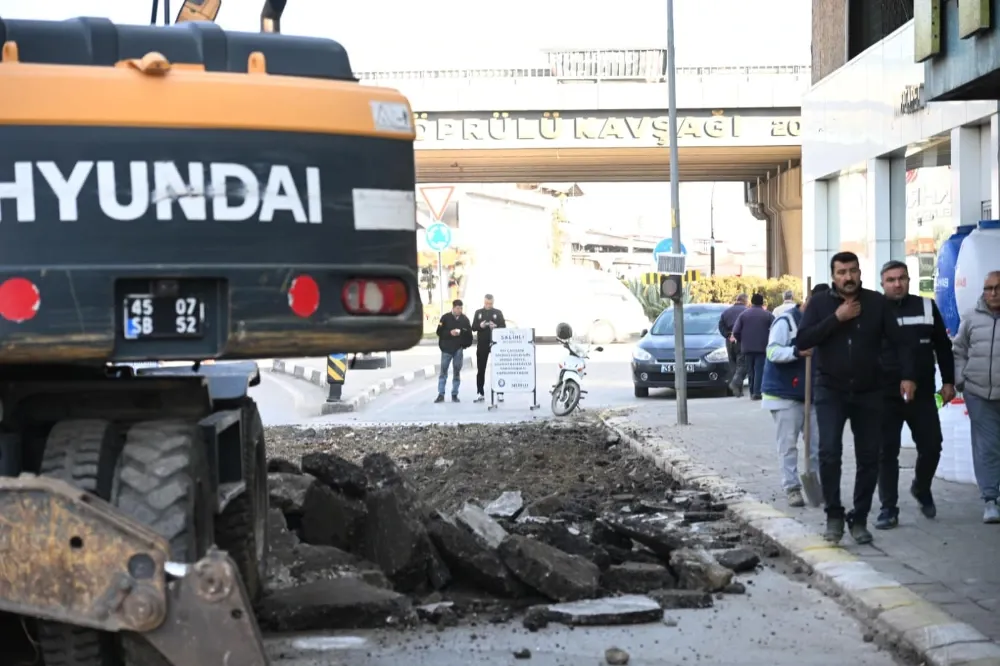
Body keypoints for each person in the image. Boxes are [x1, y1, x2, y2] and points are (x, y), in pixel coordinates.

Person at [796, 251, 916, 545]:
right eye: (841, 272)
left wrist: (907, 376)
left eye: (852, 271)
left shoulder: (876, 302)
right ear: (833, 276)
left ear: (860, 272)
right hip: (830, 389)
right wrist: (836, 319)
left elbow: (900, 342)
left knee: (869, 456)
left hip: (870, 390)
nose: (847, 277)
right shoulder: (819, 304)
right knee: (829, 452)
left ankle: (859, 517)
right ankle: (834, 515)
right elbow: (803, 340)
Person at [875, 260, 956, 530]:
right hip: (885, 394)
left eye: (902, 278)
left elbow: (942, 346)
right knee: (886, 452)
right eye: (891, 280)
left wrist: (948, 381)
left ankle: (921, 487)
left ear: (909, 280)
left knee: (932, 446)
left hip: (921, 393)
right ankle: (888, 508)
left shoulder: (926, 307)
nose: (897, 284)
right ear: (882, 284)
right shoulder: (874, 312)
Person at [761, 283, 827, 507]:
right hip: (784, 395)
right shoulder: (786, 322)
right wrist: (796, 352)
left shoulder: (822, 324)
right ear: (808, 302)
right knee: (788, 445)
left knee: (816, 445)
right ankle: (792, 488)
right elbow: (772, 352)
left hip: (813, 394)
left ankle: (816, 486)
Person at [951, 271, 1000, 523]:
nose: (993, 293)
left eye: (998, 288)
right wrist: (961, 379)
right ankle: (990, 499)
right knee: (987, 447)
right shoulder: (971, 318)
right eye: (988, 288)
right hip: (979, 393)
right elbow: (959, 350)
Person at [733, 293, 774, 400]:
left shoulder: (743, 315)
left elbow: (736, 331)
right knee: (759, 369)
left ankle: (752, 392)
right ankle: (757, 392)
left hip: (747, 348)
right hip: (762, 347)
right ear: (762, 302)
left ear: (752, 302)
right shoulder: (768, 315)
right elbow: (775, 328)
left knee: (750, 370)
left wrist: (742, 340)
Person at [435, 299, 473, 403]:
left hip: (458, 350)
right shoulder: (445, 318)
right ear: (453, 308)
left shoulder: (465, 319)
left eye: (461, 308)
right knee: (443, 372)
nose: (459, 310)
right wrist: (449, 333)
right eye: (457, 308)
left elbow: (469, 334)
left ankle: (454, 394)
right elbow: (439, 332)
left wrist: (462, 338)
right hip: (446, 349)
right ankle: (441, 394)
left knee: (457, 372)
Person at [472, 293, 506, 403]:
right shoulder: (478, 312)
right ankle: (480, 392)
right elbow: (473, 327)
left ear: (493, 302)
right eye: (487, 303)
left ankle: (500, 392)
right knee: (481, 369)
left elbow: (503, 326)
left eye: (490, 303)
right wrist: (480, 326)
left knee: (498, 369)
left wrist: (495, 326)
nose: (488, 305)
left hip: (496, 344)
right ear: (484, 302)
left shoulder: (498, 312)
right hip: (482, 344)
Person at [719, 294, 748, 396]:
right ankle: (737, 386)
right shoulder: (746, 311)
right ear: (745, 301)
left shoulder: (726, 312)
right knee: (742, 364)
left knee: (733, 364)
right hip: (741, 340)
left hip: (729, 340)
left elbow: (721, 326)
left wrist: (728, 335)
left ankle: (736, 391)